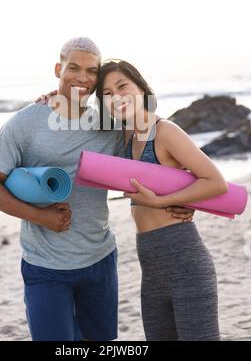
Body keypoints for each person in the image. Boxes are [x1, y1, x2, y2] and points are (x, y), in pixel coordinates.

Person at [0, 38, 194, 342]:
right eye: (73, 68)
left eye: (91, 71)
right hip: (45, 266)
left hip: (100, 259)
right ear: (58, 68)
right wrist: (39, 217)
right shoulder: (24, 124)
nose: (82, 77)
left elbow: (156, 156)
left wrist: (186, 199)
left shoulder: (109, 123)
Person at [94, 59, 227, 341]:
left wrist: (161, 202)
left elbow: (215, 182)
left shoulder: (165, 132)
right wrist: (53, 99)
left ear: (141, 88)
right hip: (151, 272)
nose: (116, 97)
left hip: (186, 263)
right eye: (107, 94)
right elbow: (75, 122)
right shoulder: (125, 137)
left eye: (122, 86)